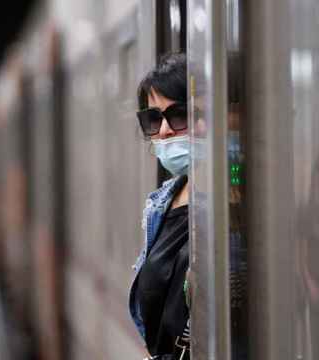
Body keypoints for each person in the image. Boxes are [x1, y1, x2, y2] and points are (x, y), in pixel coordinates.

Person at [128, 53, 191, 360]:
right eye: (153, 119)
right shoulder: (162, 202)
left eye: (178, 115)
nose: (164, 130)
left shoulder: (229, 206)